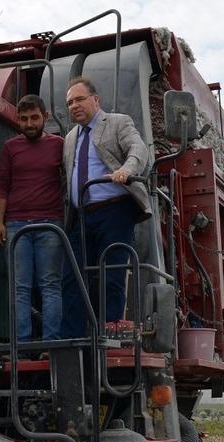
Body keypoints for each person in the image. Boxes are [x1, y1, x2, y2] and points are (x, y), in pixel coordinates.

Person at [60, 77, 150, 338]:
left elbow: (138, 149)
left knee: (112, 271)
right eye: (69, 103)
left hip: (114, 210)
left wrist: (126, 170)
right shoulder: (69, 138)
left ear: (96, 100)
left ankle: (109, 328)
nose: (74, 106)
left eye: (79, 99)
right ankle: (73, 336)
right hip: (81, 216)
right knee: (72, 276)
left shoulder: (117, 122)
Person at [0, 94, 65, 343]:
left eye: (34, 118)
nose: (29, 123)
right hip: (15, 225)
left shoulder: (59, 145)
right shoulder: (10, 147)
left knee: (50, 286)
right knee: (20, 288)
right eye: (23, 119)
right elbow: (2, 186)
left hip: (50, 224)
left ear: (45, 117)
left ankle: (51, 343)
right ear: (18, 120)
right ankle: (21, 345)